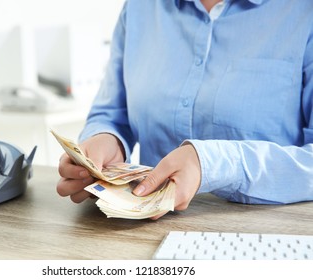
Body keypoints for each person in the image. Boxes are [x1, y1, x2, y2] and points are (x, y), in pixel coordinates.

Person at [57, 0, 313, 220]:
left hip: (263, 236)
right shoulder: (140, 8)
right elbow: (110, 113)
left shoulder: (304, 13)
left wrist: (213, 164)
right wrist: (105, 140)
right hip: (140, 230)